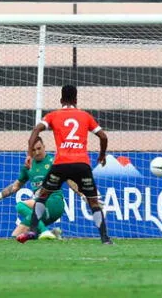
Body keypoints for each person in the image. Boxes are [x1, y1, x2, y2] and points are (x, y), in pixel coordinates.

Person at [17, 85, 112, 244]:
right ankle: (105, 239)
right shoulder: (85, 116)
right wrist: (102, 155)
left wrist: (29, 154)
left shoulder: (53, 116)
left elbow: (36, 130)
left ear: (61, 100)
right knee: (93, 202)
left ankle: (33, 230)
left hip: (61, 164)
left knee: (42, 197)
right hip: (82, 164)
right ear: (76, 100)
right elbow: (103, 136)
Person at [0, 137, 63, 240]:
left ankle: (44, 231)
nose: (37, 152)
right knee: (17, 237)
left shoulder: (53, 162)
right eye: (33, 150)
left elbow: (70, 179)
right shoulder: (28, 165)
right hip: (41, 208)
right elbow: (16, 186)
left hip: (54, 202)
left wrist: (82, 193)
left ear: (44, 147)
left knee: (20, 206)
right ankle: (50, 234)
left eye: (39, 148)